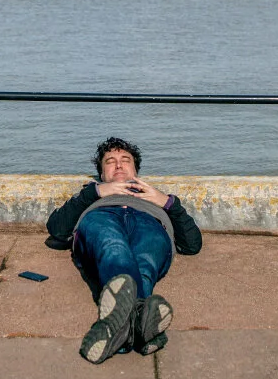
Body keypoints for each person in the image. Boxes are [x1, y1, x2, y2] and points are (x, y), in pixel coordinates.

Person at [46, 137, 202, 364]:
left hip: (150, 223)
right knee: (114, 248)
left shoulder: (155, 196)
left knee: (145, 263)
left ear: (136, 170)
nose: (118, 165)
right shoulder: (91, 193)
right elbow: (57, 229)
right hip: (102, 217)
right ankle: (142, 325)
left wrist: (167, 203)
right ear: (102, 173)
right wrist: (96, 192)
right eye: (110, 161)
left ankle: (121, 329)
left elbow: (192, 245)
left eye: (125, 160)